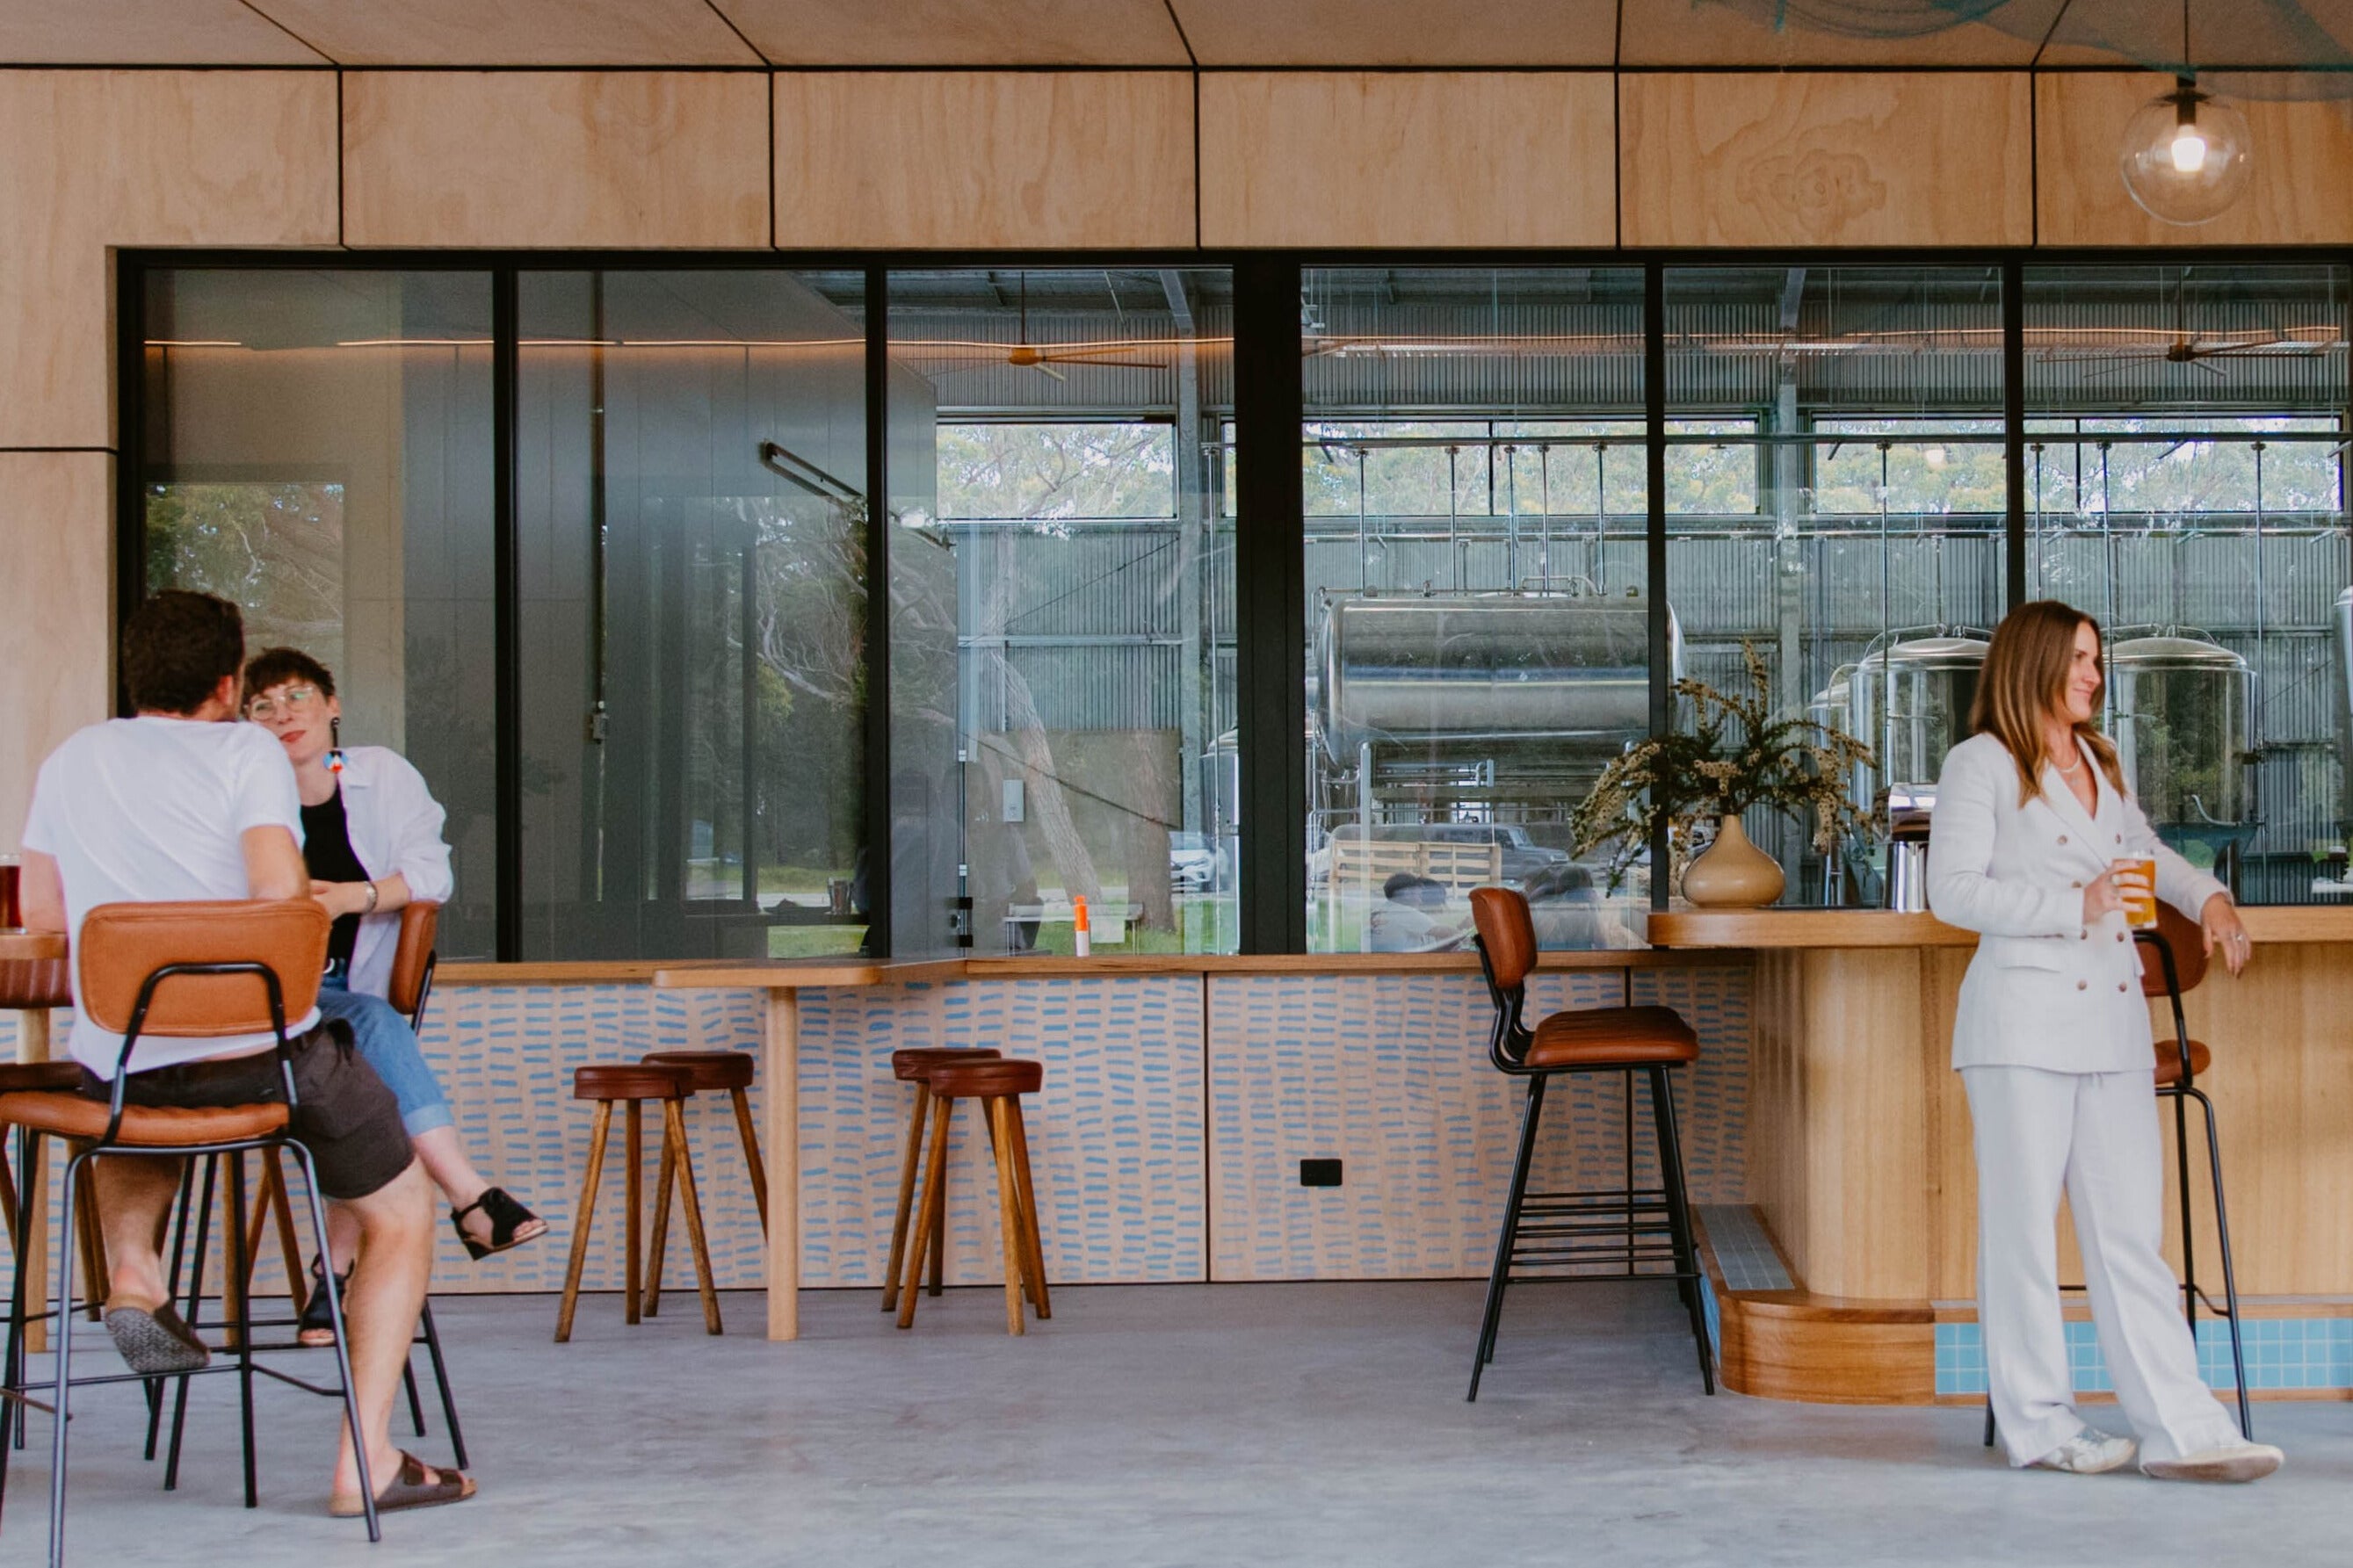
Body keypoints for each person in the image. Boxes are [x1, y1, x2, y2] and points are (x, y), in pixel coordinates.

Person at [18, 590, 474, 1514]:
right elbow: (275, 895)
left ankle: (134, 1269)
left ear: (132, 679)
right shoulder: (246, 755)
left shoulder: (72, 759)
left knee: (133, 1096)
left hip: (130, 1062)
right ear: (229, 688)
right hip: (263, 1059)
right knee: (400, 1210)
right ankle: (366, 1461)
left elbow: (42, 915)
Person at [1926, 599, 2279, 1484]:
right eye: (2079, 658)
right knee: (2022, 1237)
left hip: (2113, 1024)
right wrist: (2069, 906)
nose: (2093, 674)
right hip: (2020, 1027)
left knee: (2130, 1235)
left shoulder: (2096, 760)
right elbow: (1951, 890)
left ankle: (2183, 1430)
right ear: (2034, 662)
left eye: (2095, 659)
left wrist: (2208, 898)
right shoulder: (1981, 764)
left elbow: (2144, 851)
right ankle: (2041, 1426)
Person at [241, 647, 544, 1347]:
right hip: (274, 1000)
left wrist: (354, 896)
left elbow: (431, 874)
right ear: (248, 725)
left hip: (350, 993)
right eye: (263, 705)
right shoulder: (246, 800)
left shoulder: (380, 773)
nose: (283, 713)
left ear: (333, 705)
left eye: (298, 695)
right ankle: (469, 1195)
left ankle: (333, 1274)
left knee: (360, 1075)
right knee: (368, 1033)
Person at [1366, 872, 1469, 952]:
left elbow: (1437, 943)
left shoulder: (1380, 910)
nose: (1421, 893)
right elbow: (1446, 932)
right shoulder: (1404, 913)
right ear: (1407, 893)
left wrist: (1460, 929)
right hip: (1403, 967)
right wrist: (1469, 937)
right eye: (1418, 891)